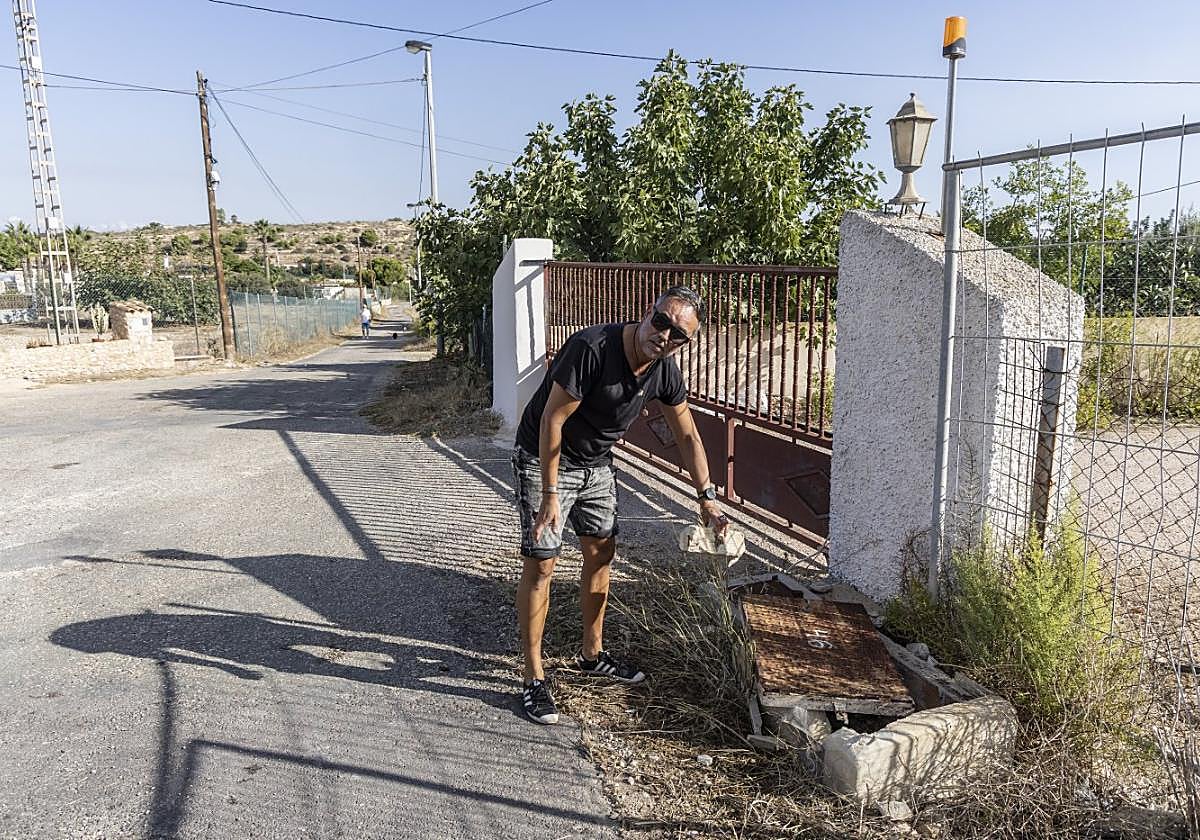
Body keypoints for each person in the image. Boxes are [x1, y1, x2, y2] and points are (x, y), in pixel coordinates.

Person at [511, 286, 729, 725]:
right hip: (545, 458)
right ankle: (534, 677)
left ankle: (592, 656)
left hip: (596, 464)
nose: (665, 335)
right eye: (661, 321)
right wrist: (550, 494)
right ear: (648, 312)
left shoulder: (664, 372)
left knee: (601, 553)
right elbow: (553, 418)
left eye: (678, 334)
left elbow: (687, 435)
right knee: (543, 563)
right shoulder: (593, 347)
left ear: (686, 342)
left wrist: (707, 497)